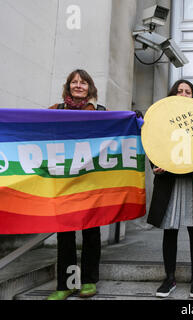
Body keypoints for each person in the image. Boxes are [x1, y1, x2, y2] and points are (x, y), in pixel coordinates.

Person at [147, 79, 193, 299]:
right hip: (170, 183)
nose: (184, 94)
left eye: (188, 91)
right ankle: (169, 278)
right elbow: (152, 145)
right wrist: (154, 167)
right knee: (170, 231)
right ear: (172, 95)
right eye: (179, 91)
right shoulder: (160, 121)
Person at [47, 69, 106, 300]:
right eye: (74, 82)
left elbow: (116, 133)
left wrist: (134, 119)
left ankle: (89, 282)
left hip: (91, 181)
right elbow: (36, 129)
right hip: (64, 182)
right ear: (68, 86)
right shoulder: (55, 110)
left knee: (91, 232)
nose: (78, 85)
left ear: (89, 87)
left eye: (83, 82)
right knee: (65, 235)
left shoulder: (101, 113)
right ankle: (66, 284)